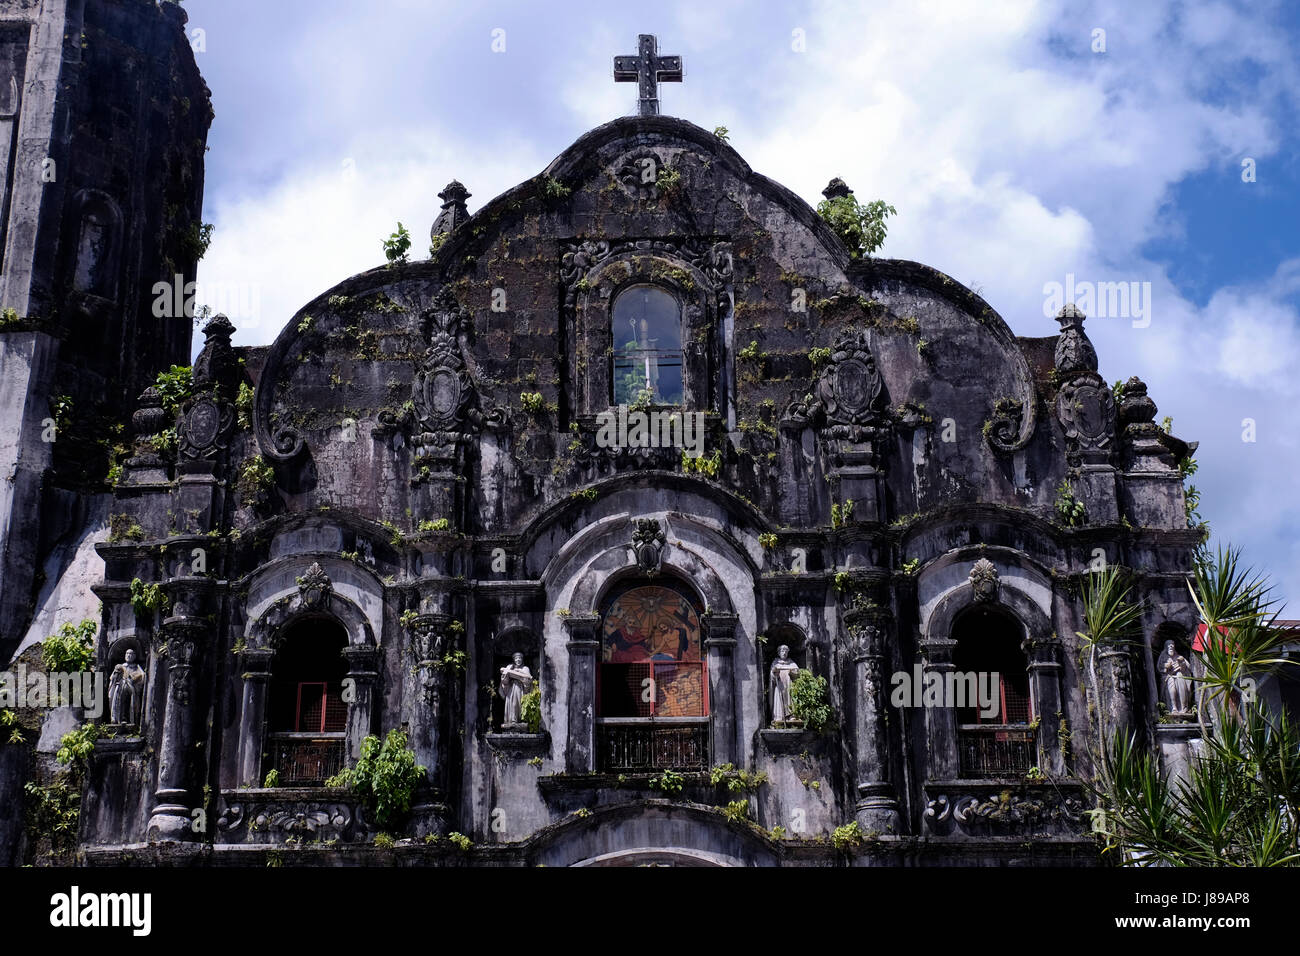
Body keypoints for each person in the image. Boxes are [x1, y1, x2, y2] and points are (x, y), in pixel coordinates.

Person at [109, 648, 146, 726]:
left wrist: (134, 678)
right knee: (118, 703)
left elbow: (142, 676)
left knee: (129, 703)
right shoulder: (121, 666)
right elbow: (112, 678)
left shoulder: (136, 667)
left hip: (131, 688)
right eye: (127, 653)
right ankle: (117, 719)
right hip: (120, 688)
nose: (129, 655)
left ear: (134, 656)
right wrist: (116, 674)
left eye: (131, 654)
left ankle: (128, 719)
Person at [499, 652, 534, 728]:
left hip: (520, 688)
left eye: (520, 658)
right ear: (514, 660)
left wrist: (519, 673)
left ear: (522, 659)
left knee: (518, 703)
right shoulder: (510, 667)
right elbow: (504, 681)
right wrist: (508, 672)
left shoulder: (525, 668)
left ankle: (521, 720)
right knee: (512, 704)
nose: (518, 660)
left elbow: (528, 680)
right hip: (511, 689)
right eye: (516, 658)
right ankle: (512, 720)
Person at [769, 645, 800, 726]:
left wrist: (793, 673)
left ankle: (791, 716)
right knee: (779, 700)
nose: (784, 653)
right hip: (780, 686)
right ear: (779, 653)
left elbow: (797, 674)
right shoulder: (775, 662)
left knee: (791, 700)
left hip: (789, 686)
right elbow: (772, 676)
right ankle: (780, 717)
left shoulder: (792, 663)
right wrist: (775, 673)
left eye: (786, 651)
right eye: (782, 651)